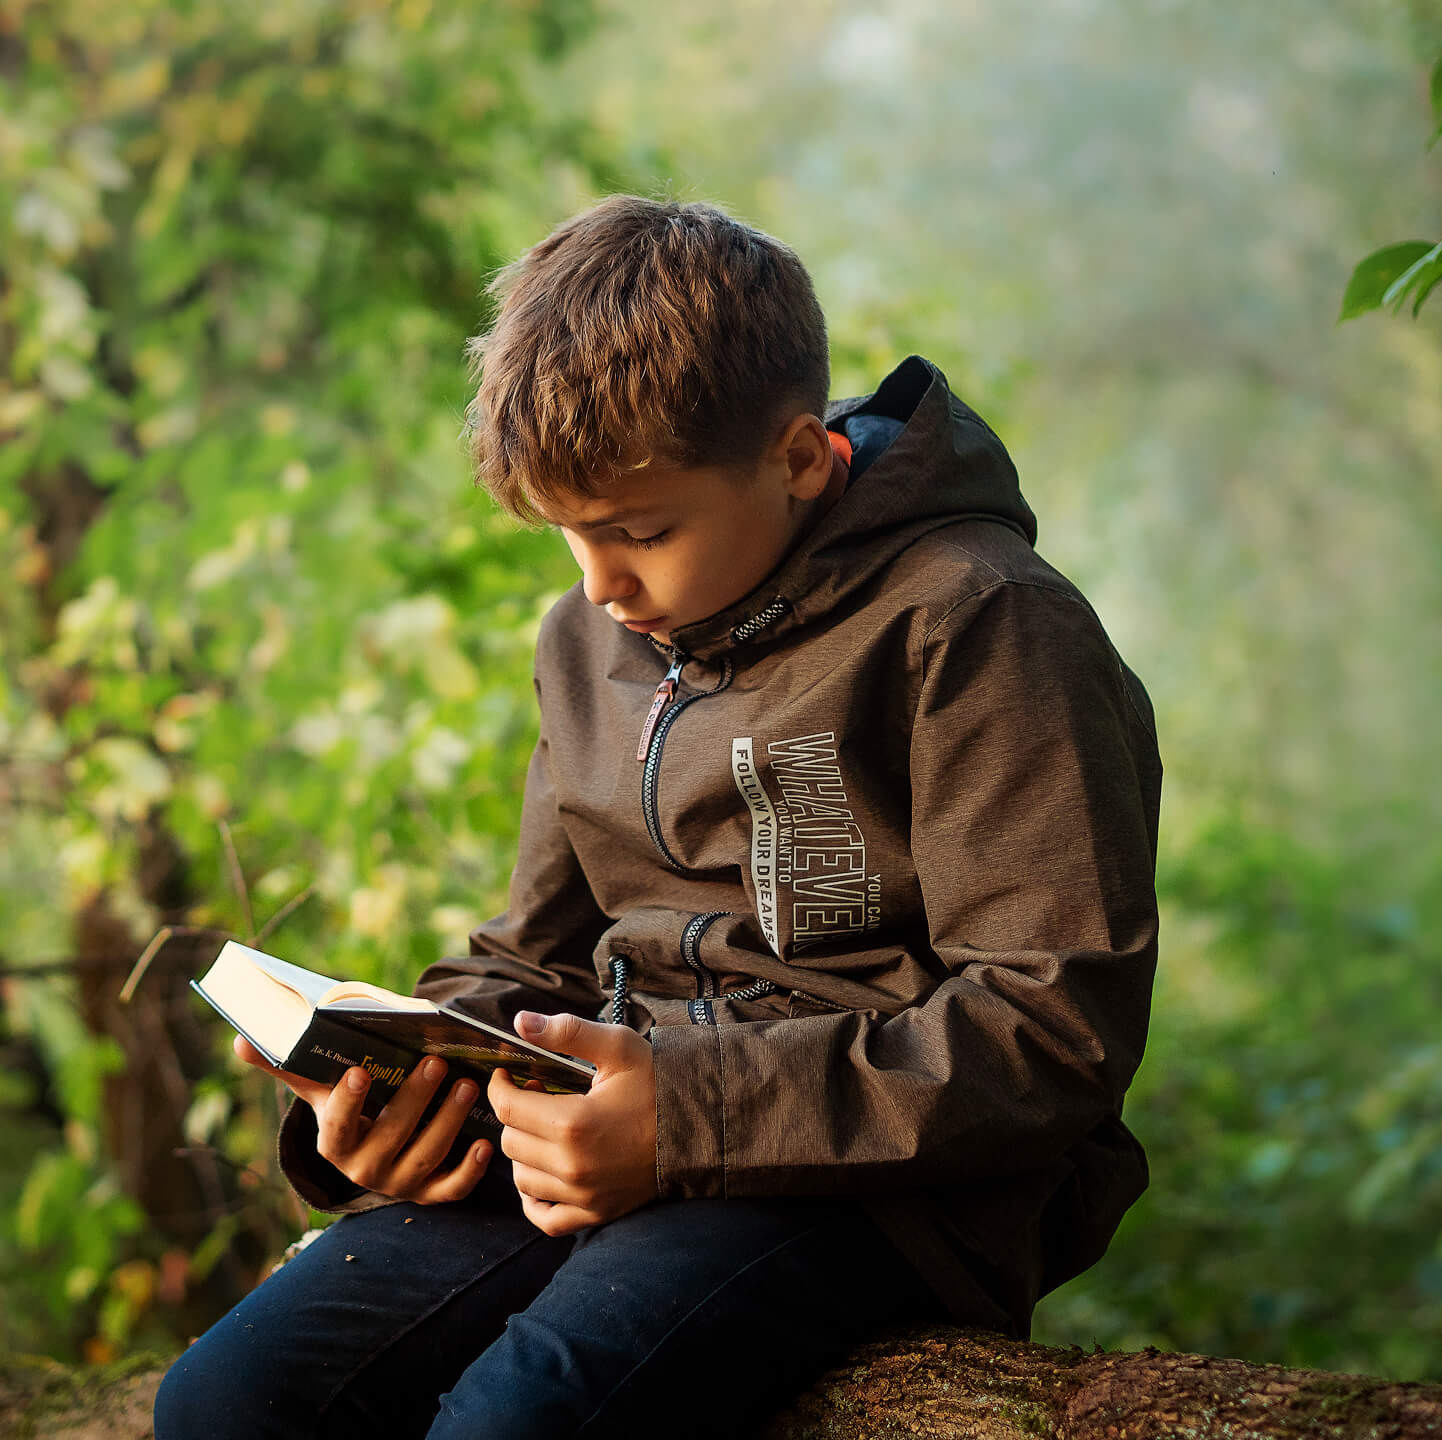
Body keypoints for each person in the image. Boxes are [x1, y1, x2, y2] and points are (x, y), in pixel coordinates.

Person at [153, 195, 1161, 1440]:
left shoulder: (976, 622)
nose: (599, 586)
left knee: (516, 1426)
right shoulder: (593, 637)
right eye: (571, 537)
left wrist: (687, 1114)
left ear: (797, 459)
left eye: (640, 532)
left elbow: (1052, 1031)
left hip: (874, 1186)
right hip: (601, 1139)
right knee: (227, 1402)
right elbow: (533, 955)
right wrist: (397, 1100)